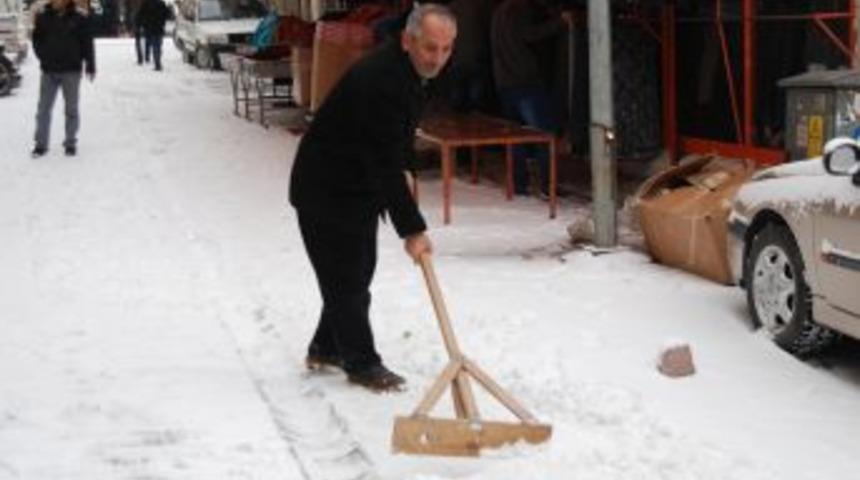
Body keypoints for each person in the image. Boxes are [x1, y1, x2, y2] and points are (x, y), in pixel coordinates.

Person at [288, 4, 457, 392]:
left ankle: (326, 346)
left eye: (446, 49)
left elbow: (399, 137)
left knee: (354, 274)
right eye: (431, 48)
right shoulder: (382, 79)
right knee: (347, 280)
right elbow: (382, 161)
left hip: (355, 187)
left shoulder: (407, 72)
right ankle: (361, 362)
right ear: (407, 40)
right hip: (326, 190)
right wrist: (412, 229)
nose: (438, 58)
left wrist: (409, 169)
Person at [491, 0, 571, 196]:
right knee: (545, 135)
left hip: (504, 81)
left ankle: (519, 184)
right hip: (525, 81)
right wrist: (560, 22)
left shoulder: (499, 10)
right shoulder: (519, 9)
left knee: (516, 136)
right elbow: (529, 34)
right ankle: (548, 186)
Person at [31, 0, 96, 158]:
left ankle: (70, 143)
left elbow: (87, 43)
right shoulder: (43, 17)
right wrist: (43, 56)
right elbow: (36, 40)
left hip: (71, 71)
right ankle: (41, 144)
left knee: (71, 110)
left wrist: (90, 65)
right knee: (43, 110)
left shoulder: (79, 18)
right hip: (49, 71)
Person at [136, 0, 170, 71]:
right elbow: (167, 14)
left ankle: (157, 63)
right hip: (159, 27)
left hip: (150, 28)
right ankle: (157, 61)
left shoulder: (146, 3)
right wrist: (163, 20)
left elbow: (141, 15)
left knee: (154, 45)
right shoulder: (161, 3)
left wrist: (140, 25)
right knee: (158, 45)